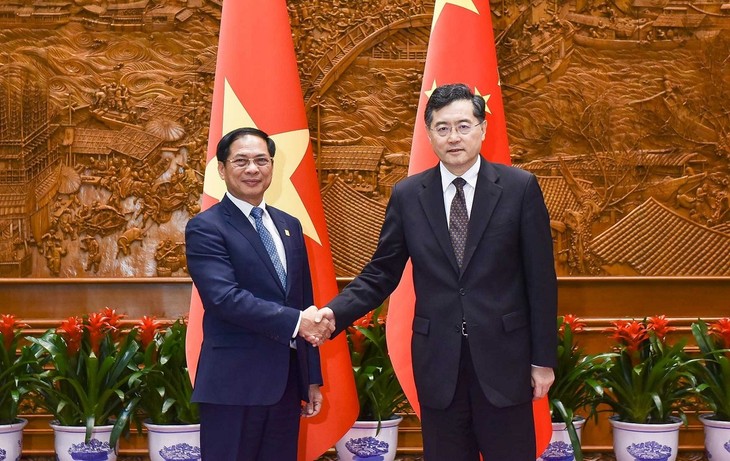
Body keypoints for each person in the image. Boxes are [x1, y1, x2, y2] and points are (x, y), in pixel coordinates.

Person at [318, 83, 558, 460]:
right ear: (429, 135)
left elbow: (541, 281)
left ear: (482, 129)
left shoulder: (519, 188)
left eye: (463, 126)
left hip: (504, 360)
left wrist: (542, 360)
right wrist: (333, 314)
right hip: (439, 363)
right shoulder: (408, 195)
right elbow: (381, 272)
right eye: (442, 128)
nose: (453, 137)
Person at [185, 127, 335, 461]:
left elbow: (303, 302)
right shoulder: (206, 227)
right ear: (222, 169)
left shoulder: (289, 225)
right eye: (241, 161)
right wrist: (297, 321)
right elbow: (224, 299)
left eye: (261, 161)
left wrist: (310, 378)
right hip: (233, 386)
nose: (252, 169)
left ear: (272, 167)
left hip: (285, 385)